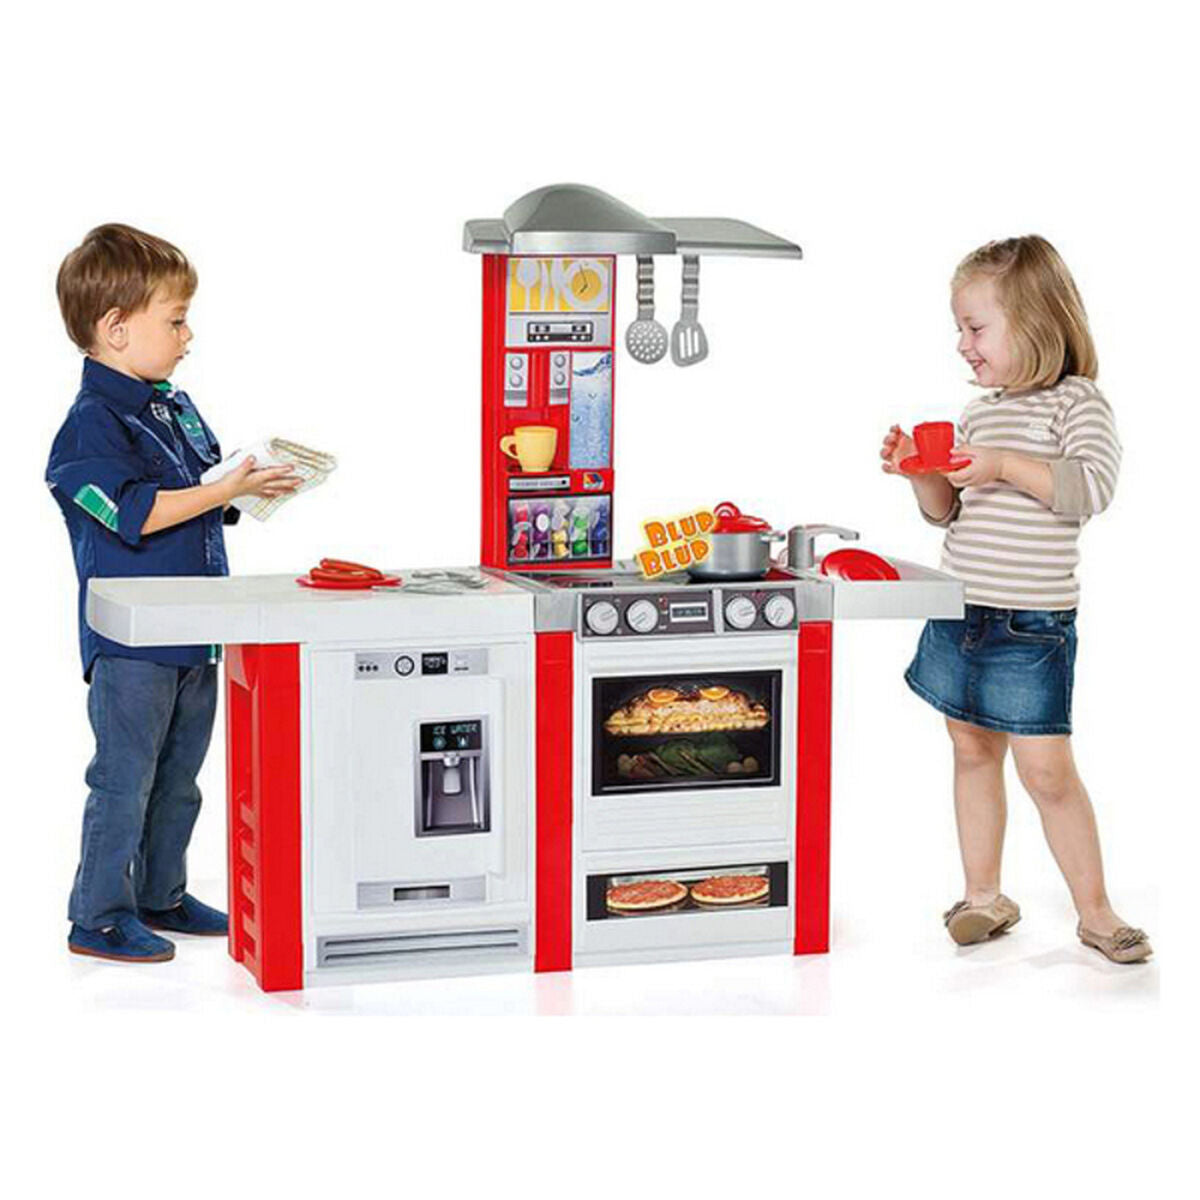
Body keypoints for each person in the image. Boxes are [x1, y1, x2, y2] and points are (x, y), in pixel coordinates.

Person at [880, 235, 1151, 964]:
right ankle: (983, 897)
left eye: (976, 327)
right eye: (960, 329)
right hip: (961, 612)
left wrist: (1000, 463)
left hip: (1031, 624)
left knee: (1046, 772)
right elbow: (949, 515)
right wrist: (921, 474)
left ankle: (1096, 913)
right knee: (971, 750)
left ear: (1033, 323)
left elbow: (1089, 488)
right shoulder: (980, 413)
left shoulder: (1077, 403)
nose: (962, 345)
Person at [46, 224, 298, 963]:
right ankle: (98, 915)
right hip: (134, 644)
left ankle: (161, 893)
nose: (189, 337)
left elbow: (200, 488)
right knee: (124, 780)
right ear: (116, 329)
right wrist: (219, 489)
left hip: (195, 630)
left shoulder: (171, 406)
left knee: (180, 780)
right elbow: (134, 512)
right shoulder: (89, 427)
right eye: (177, 320)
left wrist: (245, 486)